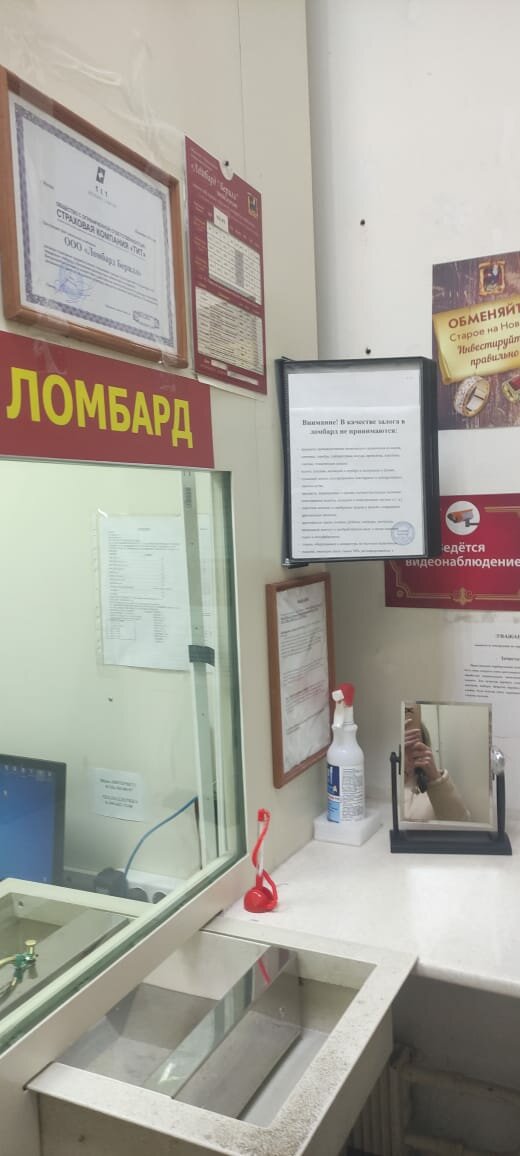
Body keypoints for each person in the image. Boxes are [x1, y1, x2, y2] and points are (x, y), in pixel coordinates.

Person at [404, 723, 470, 822]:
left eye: (411, 745)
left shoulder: (433, 788)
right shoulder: (385, 783)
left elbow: (461, 823)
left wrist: (435, 778)